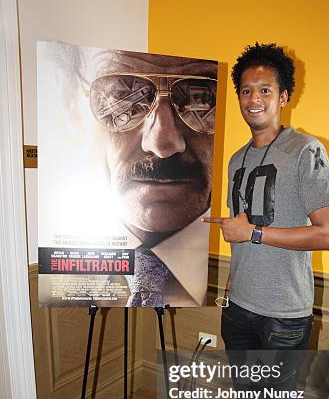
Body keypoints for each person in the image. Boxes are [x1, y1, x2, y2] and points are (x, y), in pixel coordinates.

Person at [204, 42, 329, 399]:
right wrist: (230, 281)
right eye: (246, 90)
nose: (253, 98)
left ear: (284, 95)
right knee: (246, 388)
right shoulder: (237, 158)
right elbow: (240, 234)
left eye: (265, 88)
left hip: (285, 312)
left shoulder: (306, 150)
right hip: (240, 304)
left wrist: (255, 233)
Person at [38, 42, 218, 308]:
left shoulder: (246, 267)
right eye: (121, 99)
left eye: (201, 99)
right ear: (71, 110)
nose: (162, 144)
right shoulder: (58, 273)